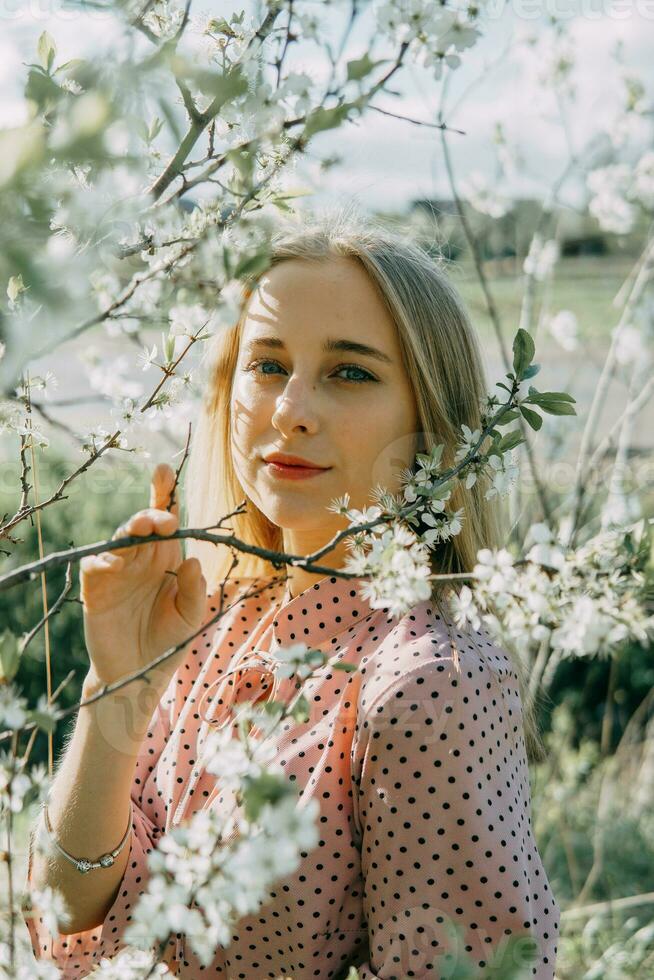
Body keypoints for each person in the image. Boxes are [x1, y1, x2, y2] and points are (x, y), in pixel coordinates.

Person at [22, 204, 560, 978]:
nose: (290, 411)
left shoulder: (427, 683)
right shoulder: (207, 619)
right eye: (268, 364)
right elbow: (68, 927)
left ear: (431, 421)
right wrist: (118, 686)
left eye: (350, 372)